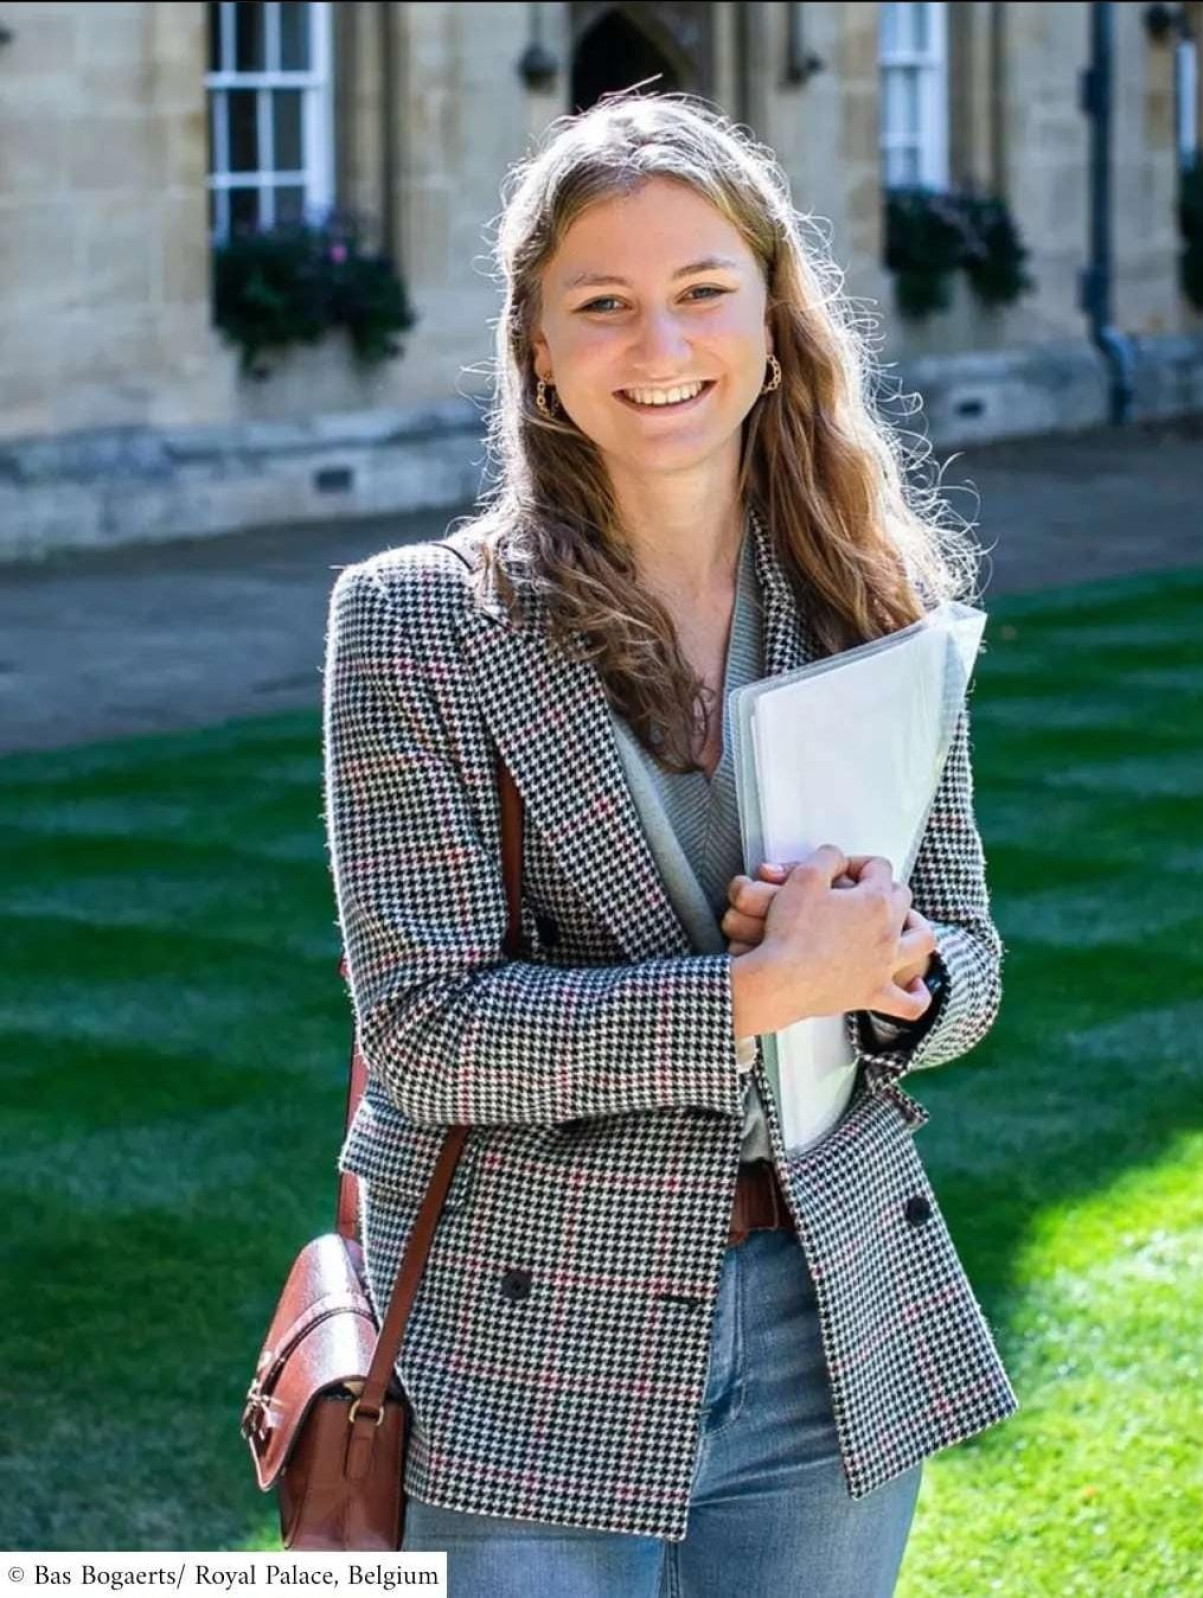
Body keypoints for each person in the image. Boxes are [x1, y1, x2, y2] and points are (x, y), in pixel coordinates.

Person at [322, 90, 1017, 1597]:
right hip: (530, 1330)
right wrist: (760, 991)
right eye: (605, 305)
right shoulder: (416, 623)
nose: (662, 346)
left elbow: (967, 954)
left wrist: (891, 970)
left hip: (826, 1314)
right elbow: (429, 1034)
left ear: (773, 320)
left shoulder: (871, 602)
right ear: (538, 347)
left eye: (705, 292)